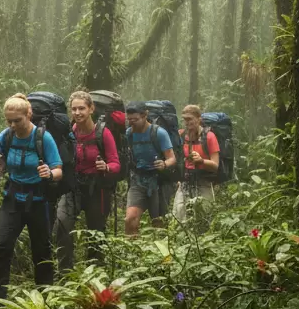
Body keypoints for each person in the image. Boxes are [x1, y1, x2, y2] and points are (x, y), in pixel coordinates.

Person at [0, 94, 64, 298]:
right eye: (9, 121)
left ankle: (45, 298)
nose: (13, 125)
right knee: (2, 246)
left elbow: (58, 170)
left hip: (38, 202)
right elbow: (1, 159)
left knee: (41, 251)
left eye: (17, 120)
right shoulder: (7, 135)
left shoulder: (42, 138)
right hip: (12, 199)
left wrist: (48, 173)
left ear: (28, 114)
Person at [53, 91, 121, 271]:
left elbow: (116, 163)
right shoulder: (70, 132)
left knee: (96, 232)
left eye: (81, 108)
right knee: (62, 225)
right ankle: (65, 271)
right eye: (74, 109)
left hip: (96, 189)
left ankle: (95, 271)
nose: (77, 113)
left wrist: (106, 167)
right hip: (72, 187)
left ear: (91, 109)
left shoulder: (103, 133)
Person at [124, 101, 177, 237]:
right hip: (137, 181)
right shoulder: (129, 134)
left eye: (135, 119)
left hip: (158, 182)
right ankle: (132, 254)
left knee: (158, 224)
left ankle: (162, 256)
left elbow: (172, 158)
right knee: (130, 219)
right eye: (129, 119)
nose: (131, 123)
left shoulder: (159, 133)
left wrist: (164, 164)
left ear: (145, 115)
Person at [173, 104, 220, 224]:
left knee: (204, 218)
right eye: (184, 119)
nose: (187, 122)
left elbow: (215, 165)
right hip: (185, 182)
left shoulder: (209, 137)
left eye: (190, 119)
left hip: (203, 181)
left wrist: (201, 161)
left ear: (199, 119)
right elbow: (177, 159)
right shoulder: (181, 135)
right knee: (179, 218)